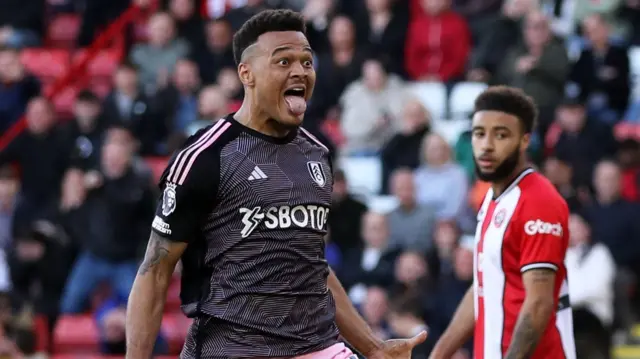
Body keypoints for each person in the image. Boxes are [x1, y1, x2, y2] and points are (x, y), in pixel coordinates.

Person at [125, 9, 426, 359]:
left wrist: (373, 348)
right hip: (234, 348)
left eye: (306, 62)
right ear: (246, 73)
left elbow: (311, 263)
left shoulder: (317, 154)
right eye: (283, 62)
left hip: (319, 346)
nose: (299, 71)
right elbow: (155, 271)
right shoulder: (206, 156)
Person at [430, 86, 576, 359]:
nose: (486, 145)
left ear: (524, 141)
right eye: (479, 133)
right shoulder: (493, 198)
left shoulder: (538, 202)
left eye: (501, 135)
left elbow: (539, 304)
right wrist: (439, 354)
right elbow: (485, 284)